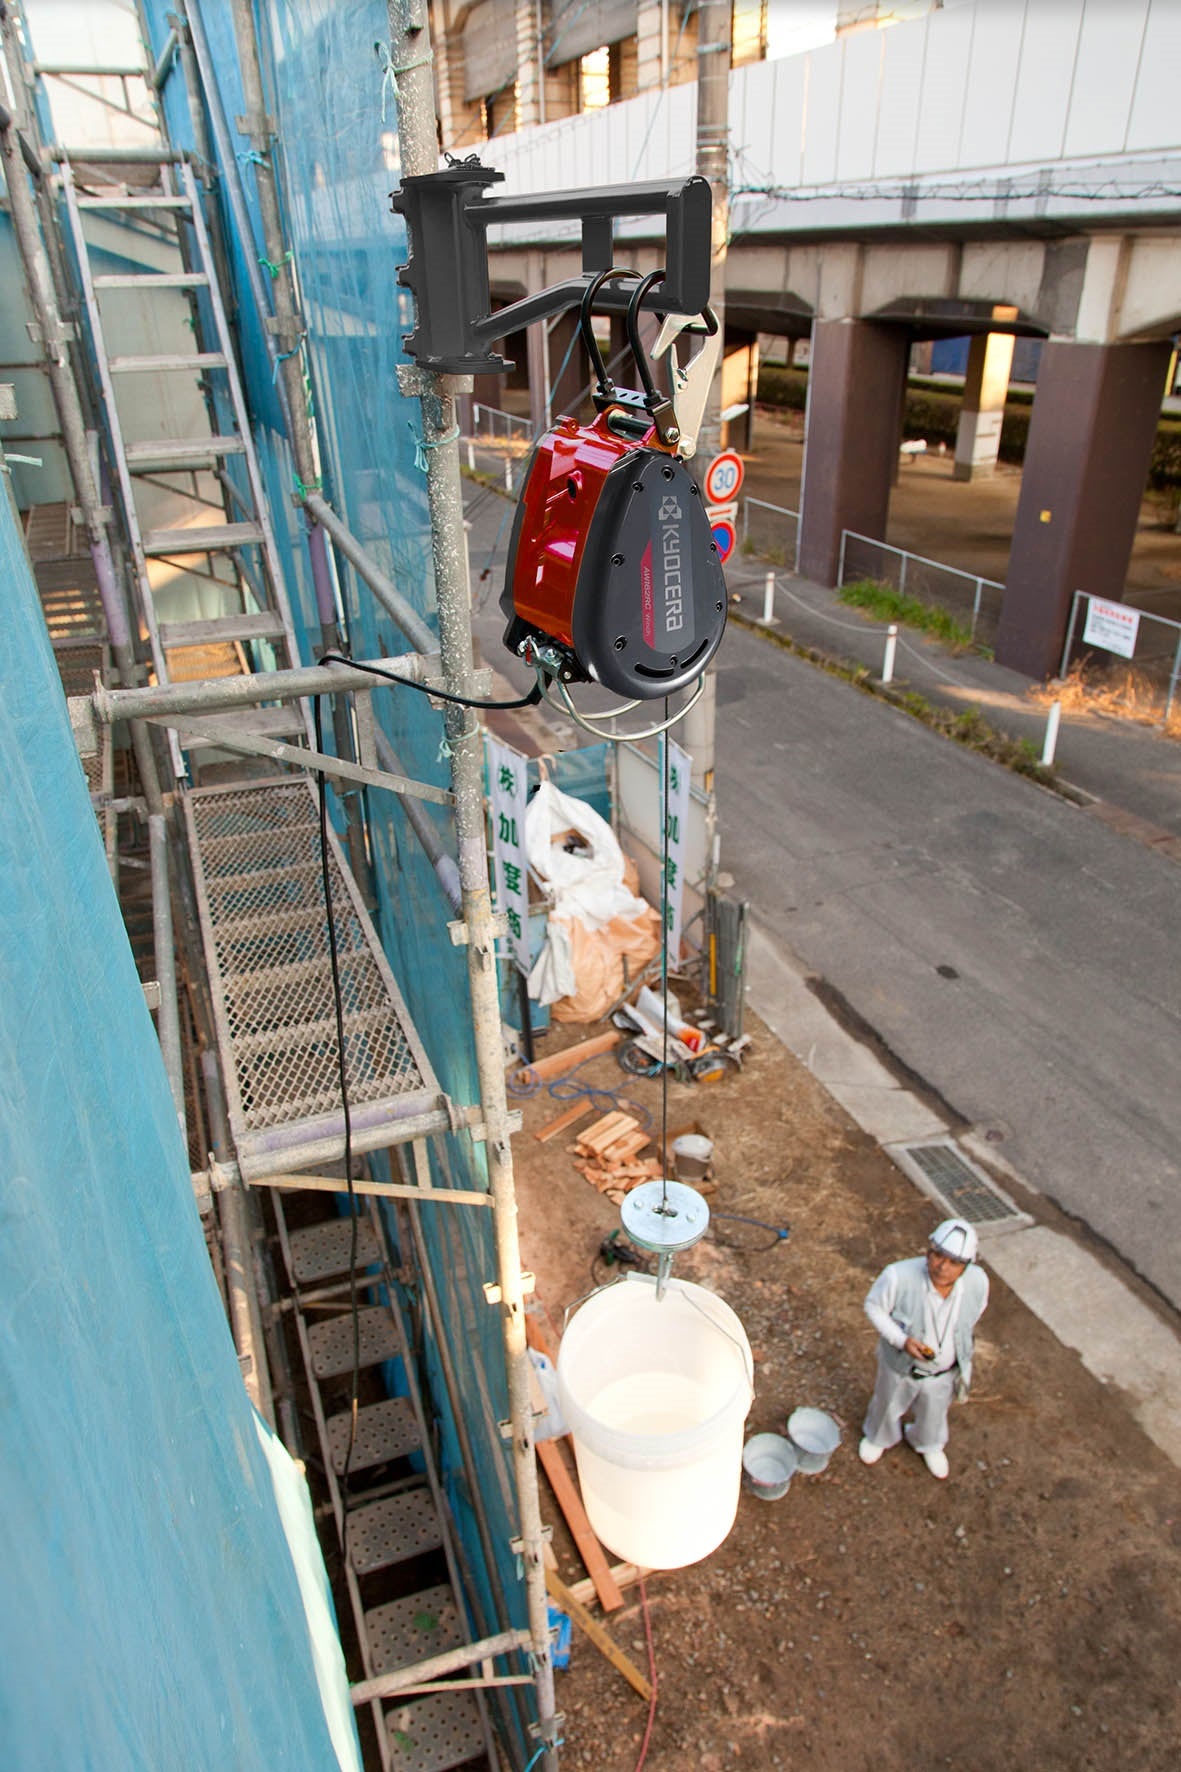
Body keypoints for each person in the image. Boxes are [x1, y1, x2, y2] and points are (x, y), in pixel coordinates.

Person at [857, 1217, 989, 1481]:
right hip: (900, 1366)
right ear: (929, 1250)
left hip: (943, 1373)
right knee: (887, 1402)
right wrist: (901, 1340)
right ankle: (879, 1437)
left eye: (954, 1262)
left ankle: (928, 1443)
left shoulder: (978, 1282)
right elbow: (874, 1306)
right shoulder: (898, 1276)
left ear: (966, 1266)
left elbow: (974, 1314)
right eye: (938, 1255)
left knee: (935, 1411)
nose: (942, 1267)